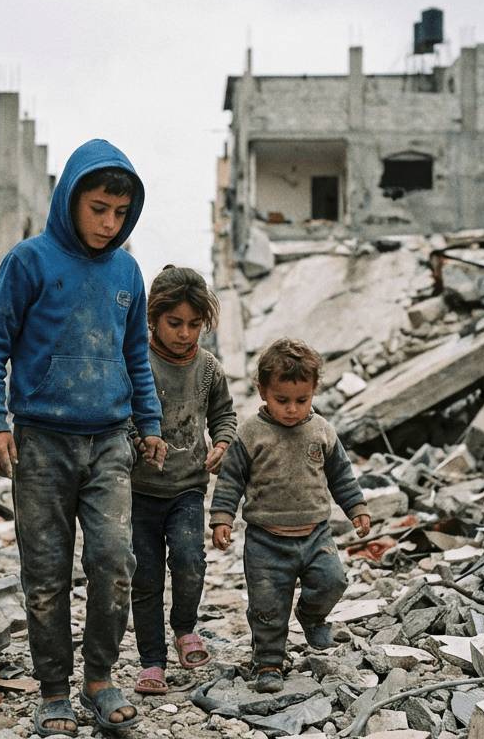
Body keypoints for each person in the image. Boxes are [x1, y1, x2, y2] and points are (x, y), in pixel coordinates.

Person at [0, 139, 168, 737]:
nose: (109, 224)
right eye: (98, 208)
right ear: (69, 200)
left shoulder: (128, 271)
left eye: (119, 213)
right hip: (41, 444)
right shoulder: (29, 262)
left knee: (114, 561)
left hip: (110, 441)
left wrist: (151, 422)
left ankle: (100, 680)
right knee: (47, 573)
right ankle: (54, 690)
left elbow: (137, 355)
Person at [209, 337, 371, 694]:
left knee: (333, 581)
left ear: (314, 391)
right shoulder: (250, 433)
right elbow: (231, 478)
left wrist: (357, 509)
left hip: (316, 534)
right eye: (282, 400)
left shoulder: (322, 431)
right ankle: (268, 661)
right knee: (267, 605)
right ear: (263, 391)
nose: (292, 409)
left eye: (302, 400)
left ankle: (312, 615)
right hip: (266, 540)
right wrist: (222, 517)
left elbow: (341, 475)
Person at [129, 265, 237, 696]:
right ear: (153, 318)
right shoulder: (136, 361)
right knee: (146, 576)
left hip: (188, 489)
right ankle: (151, 660)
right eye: (175, 323)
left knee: (190, 561)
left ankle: (185, 628)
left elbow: (224, 415)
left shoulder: (209, 369)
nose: (185, 333)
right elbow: (120, 413)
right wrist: (137, 440)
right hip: (137, 492)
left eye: (195, 325)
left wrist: (223, 443)